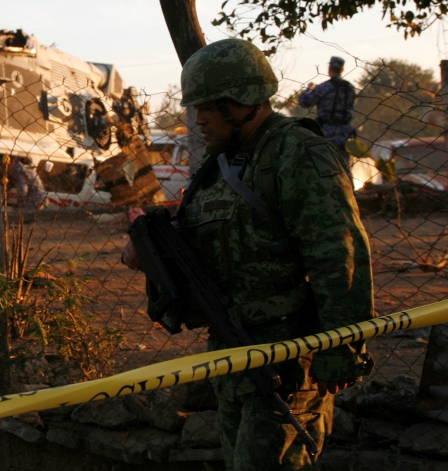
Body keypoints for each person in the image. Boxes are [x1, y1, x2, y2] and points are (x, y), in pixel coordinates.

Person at [121, 39, 374, 470]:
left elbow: (338, 253)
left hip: (288, 362)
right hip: (235, 354)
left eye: (208, 108)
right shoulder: (225, 164)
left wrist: (341, 347)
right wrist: (149, 245)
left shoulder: (297, 153)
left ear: (240, 103)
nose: (197, 120)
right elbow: (207, 237)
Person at [298, 56, 357, 165]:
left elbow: (304, 102)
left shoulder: (324, 87)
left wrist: (309, 89)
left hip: (327, 131)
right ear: (342, 70)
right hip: (345, 132)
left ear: (329, 68)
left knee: (326, 163)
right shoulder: (350, 88)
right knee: (344, 165)